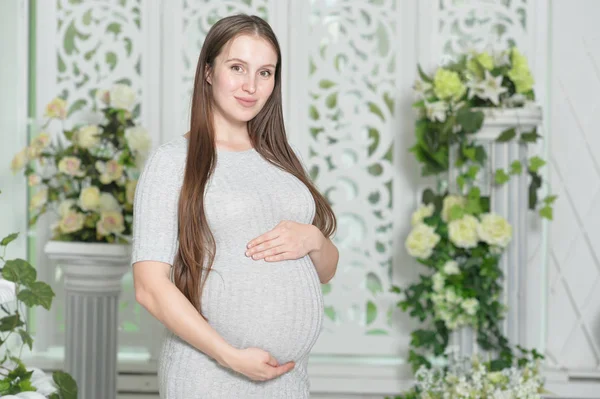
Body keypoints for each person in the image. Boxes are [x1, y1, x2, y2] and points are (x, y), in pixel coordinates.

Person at [131, 14, 339, 398]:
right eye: (237, 68)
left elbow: (325, 271)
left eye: (265, 72)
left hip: (289, 381)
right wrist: (229, 356)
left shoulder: (282, 160)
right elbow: (149, 287)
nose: (250, 86)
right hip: (208, 375)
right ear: (208, 72)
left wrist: (313, 238)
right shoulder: (173, 162)